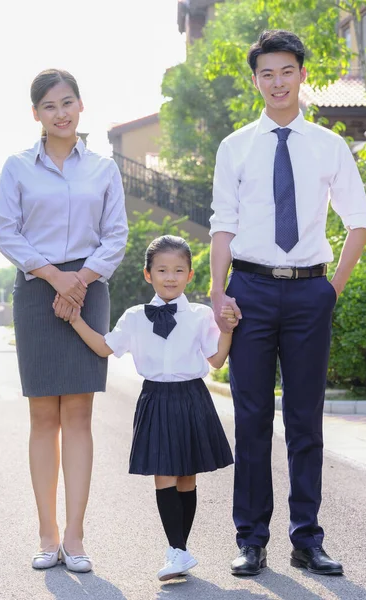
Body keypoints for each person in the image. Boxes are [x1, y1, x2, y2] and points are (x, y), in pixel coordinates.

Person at [209, 30, 366, 577]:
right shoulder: (234, 146)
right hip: (250, 290)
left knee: (306, 421)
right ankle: (251, 539)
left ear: (302, 74)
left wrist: (331, 290)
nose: (277, 82)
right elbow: (223, 225)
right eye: (266, 73)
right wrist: (217, 288)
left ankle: (307, 538)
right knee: (252, 418)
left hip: (309, 292)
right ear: (255, 80)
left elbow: (359, 223)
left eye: (286, 71)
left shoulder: (328, 145)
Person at [0, 69, 128, 572]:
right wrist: (55, 277)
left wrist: (80, 281)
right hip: (36, 292)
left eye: (68, 102)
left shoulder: (103, 168)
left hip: (89, 292)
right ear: (36, 115)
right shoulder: (16, 167)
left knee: (78, 414)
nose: (61, 113)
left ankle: (75, 536)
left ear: (80, 106)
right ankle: (46, 533)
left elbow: (115, 234)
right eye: (50, 106)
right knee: (42, 416)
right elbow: (7, 232)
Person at [64, 235, 235, 581]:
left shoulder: (201, 315)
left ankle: (178, 551)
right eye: (162, 270)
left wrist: (228, 329)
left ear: (189, 275)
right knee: (164, 474)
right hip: (155, 398)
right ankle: (177, 551)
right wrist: (75, 320)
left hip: (192, 397)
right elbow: (103, 347)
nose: (170, 277)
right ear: (148, 275)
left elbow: (216, 359)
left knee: (187, 476)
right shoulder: (135, 317)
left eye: (178, 270)